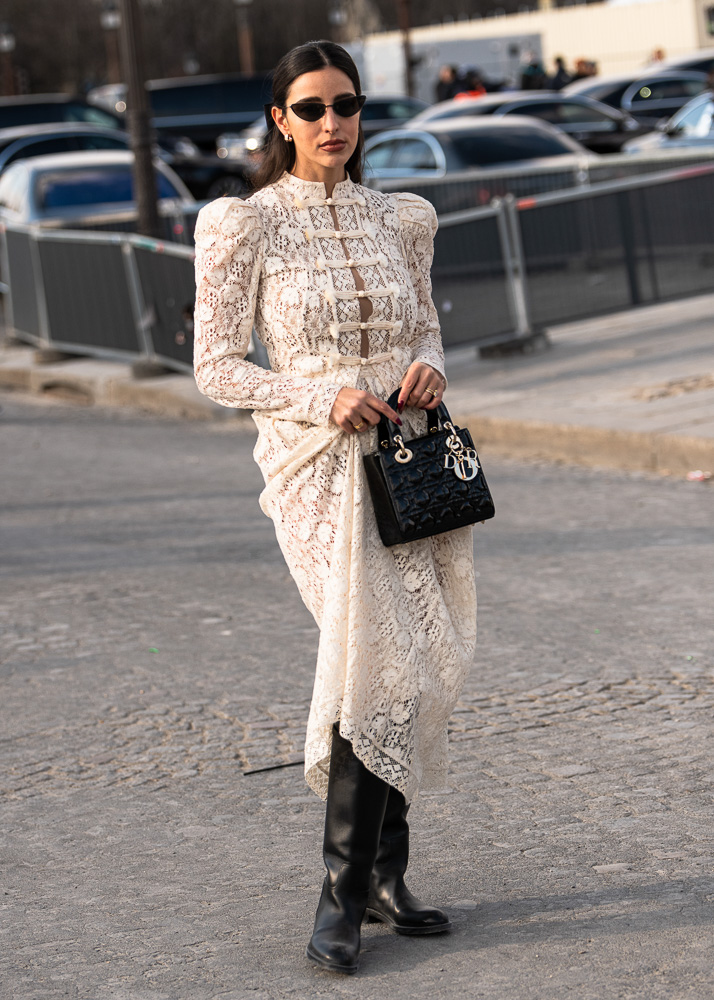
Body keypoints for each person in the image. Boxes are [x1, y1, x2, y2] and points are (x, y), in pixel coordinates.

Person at [193, 40, 477, 975]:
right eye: (310, 109)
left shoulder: (400, 218)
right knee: (371, 659)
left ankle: (388, 879)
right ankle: (341, 897)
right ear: (279, 120)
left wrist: (429, 364)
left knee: (416, 665)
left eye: (346, 105)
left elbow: (423, 324)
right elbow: (217, 367)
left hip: (409, 459)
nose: (332, 124)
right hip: (315, 464)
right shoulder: (245, 224)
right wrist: (320, 396)